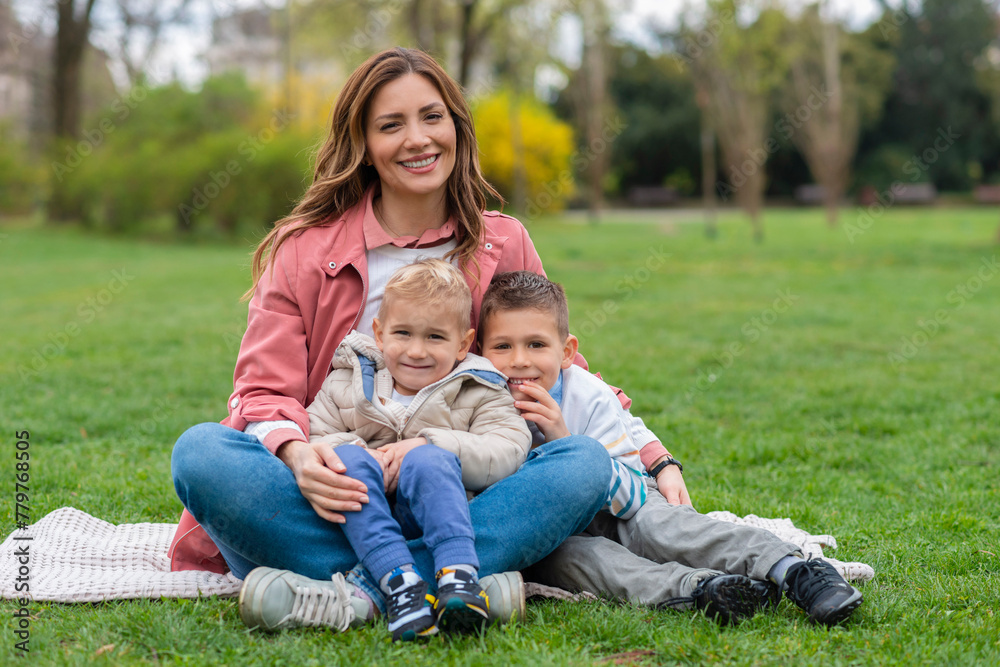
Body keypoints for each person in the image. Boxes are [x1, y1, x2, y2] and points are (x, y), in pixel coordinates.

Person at [169, 47, 640, 635]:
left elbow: (557, 374)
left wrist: (653, 457)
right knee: (201, 453)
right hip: (337, 499)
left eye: (431, 116)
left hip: (465, 497)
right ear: (363, 143)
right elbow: (263, 393)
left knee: (581, 463)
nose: (417, 139)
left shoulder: (502, 242)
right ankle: (457, 579)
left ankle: (359, 594)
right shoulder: (303, 251)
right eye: (391, 125)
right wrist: (299, 457)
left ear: (456, 127)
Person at [478, 271, 864, 627]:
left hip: (622, 504)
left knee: (661, 527)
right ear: (480, 351)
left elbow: (629, 498)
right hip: (556, 534)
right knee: (576, 561)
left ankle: (791, 569)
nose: (519, 361)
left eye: (536, 344)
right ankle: (701, 589)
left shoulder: (588, 397)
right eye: (502, 346)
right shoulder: (480, 403)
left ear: (566, 351)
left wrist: (564, 445)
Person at [300, 259, 531, 640]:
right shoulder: (348, 382)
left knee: (428, 458)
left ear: (462, 343)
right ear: (378, 332)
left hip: (443, 515)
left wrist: (428, 443)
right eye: (403, 333)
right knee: (347, 458)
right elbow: (314, 436)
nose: (417, 350)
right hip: (363, 519)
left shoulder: (481, 387)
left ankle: (458, 577)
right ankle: (400, 583)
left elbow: (508, 450)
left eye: (435, 338)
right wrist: (366, 455)